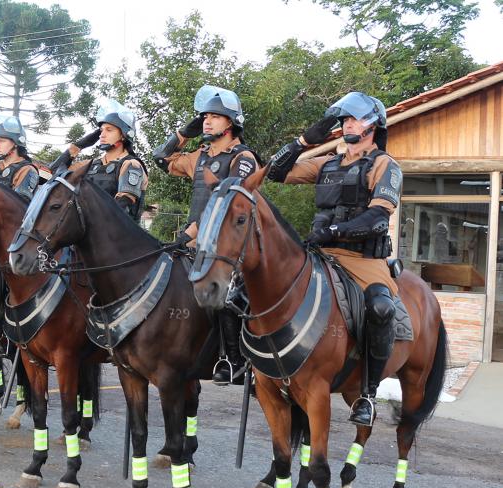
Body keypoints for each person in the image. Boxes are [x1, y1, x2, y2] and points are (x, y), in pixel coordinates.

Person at [267, 91, 401, 427]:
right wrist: (304, 139)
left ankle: (368, 394)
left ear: (373, 125)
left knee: (381, 307)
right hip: (320, 254)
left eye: (354, 119)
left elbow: (377, 218)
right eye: (344, 120)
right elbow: (274, 172)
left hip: (362, 260)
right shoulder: (326, 163)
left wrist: (334, 231)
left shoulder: (385, 165)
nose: (347, 126)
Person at [151, 85, 259, 385]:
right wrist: (185, 132)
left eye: (214, 117)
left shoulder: (243, 157)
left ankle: (233, 360)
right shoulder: (199, 156)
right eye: (204, 117)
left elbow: (225, 207)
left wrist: (188, 234)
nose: (207, 122)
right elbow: (161, 158)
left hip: (228, 246)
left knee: (225, 295)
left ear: (231, 122)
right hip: (194, 243)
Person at [52, 100, 147, 221]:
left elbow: (122, 207)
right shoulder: (91, 164)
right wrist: (80, 145)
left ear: (124, 135)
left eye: (109, 130)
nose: (102, 135)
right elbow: (56, 173)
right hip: (89, 237)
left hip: (117, 238)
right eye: (101, 131)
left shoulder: (131, 164)